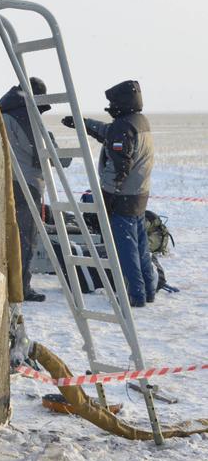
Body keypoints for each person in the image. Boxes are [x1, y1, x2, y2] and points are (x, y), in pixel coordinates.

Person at [63, 80, 156, 307]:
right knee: (141, 246)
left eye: (113, 102)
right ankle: (148, 290)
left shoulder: (123, 127)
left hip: (122, 198)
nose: (110, 106)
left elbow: (119, 166)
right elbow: (107, 132)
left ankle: (136, 295)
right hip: (139, 195)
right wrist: (83, 124)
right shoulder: (139, 122)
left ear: (121, 102)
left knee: (126, 250)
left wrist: (106, 196)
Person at [0, 78, 69, 302]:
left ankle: (3, 285)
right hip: (27, 186)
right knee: (25, 239)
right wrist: (51, 141)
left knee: (4, 237)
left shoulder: (2, 115)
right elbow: (56, 159)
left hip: (3, 183)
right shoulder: (29, 121)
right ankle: (20, 288)